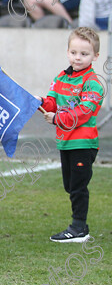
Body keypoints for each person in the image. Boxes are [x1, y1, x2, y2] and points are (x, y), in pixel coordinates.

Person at [37, 27, 104, 243]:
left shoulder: (93, 82)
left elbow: (84, 112)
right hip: (65, 143)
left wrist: (58, 119)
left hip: (83, 144)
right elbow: (52, 101)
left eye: (84, 54)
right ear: (68, 52)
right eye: (74, 52)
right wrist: (39, 102)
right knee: (69, 185)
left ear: (95, 56)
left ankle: (78, 228)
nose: (78, 57)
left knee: (78, 186)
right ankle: (79, 226)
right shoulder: (61, 77)